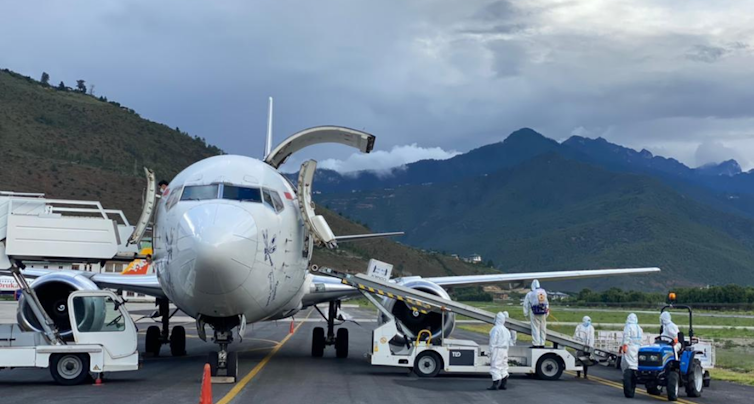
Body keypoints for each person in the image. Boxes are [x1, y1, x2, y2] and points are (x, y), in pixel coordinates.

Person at [488, 311, 513, 390]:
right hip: (504, 350)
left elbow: (492, 341)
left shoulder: (495, 329)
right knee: (504, 366)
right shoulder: (506, 330)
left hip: (497, 350)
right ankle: (503, 383)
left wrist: (490, 351)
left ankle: (495, 384)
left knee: (495, 366)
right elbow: (508, 342)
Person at [523, 279, 548, 347]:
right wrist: (547, 313)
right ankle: (542, 343)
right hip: (543, 312)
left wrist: (526, 313)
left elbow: (526, 304)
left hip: (534, 313)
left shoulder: (530, 294)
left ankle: (536, 343)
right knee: (543, 328)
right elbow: (547, 303)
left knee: (535, 328)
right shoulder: (543, 292)